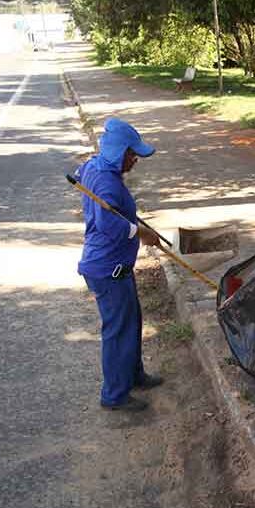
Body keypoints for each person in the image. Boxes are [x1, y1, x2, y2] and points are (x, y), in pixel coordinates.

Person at [77, 118, 164, 412]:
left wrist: (132, 218)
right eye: (131, 153)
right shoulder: (106, 182)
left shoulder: (94, 167)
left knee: (132, 322)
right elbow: (107, 224)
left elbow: (84, 173)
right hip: (108, 270)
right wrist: (142, 233)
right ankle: (114, 395)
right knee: (118, 332)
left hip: (114, 267)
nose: (135, 159)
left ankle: (134, 375)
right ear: (116, 153)